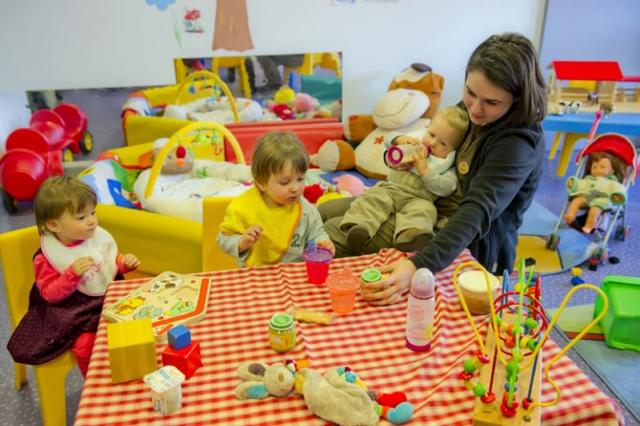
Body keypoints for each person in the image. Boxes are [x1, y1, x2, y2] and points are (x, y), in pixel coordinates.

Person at [321, 32, 547, 305]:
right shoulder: (471, 111)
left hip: (466, 244)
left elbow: (475, 213)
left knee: (337, 233)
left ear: (518, 99)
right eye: (470, 93)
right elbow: (429, 139)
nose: (474, 109)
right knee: (323, 213)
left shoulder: (517, 144)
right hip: (422, 201)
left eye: (491, 102)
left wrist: (417, 265)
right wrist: (401, 150)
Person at [7, 176, 140, 377]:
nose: (92, 221)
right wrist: (71, 275)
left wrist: (123, 263)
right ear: (54, 225)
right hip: (72, 311)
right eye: (81, 217)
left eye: (93, 213)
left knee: (139, 317)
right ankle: (95, 382)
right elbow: (50, 295)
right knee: (85, 346)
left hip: (106, 299)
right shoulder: (46, 259)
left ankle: (132, 367)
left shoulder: (92, 236)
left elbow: (107, 264)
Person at [339, 106, 469, 254]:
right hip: (391, 189)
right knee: (372, 198)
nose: (433, 143)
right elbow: (388, 141)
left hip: (420, 199)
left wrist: (426, 171)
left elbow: (447, 187)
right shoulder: (415, 143)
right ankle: (359, 227)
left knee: (426, 211)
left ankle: (410, 236)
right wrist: (399, 139)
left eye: (443, 144)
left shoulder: (447, 166)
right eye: (432, 134)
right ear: (427, 129)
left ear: (453, 151)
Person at [217, 131, 335, 267]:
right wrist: (241, 242)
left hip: (295, 272)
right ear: (261, 183)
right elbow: (223, 239)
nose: (295, 188)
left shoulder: (304, 207)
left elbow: (316, 232)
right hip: (255, 274)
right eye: (285, 182)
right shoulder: (243, 207)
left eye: (300, 179)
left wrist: (323, 241)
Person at [564, 152, 627, 233]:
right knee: (576, 201)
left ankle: (588, 227)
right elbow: (581, 184)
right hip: (587, 196)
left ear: (612, 171)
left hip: (602, 200)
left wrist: (618, 195)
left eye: (602, 167)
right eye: (594, 167)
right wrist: (574, 184)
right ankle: (570, 216)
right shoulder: (589, 178)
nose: (597, 170)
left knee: (594, 211)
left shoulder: (613, 182)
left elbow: (620, 189)